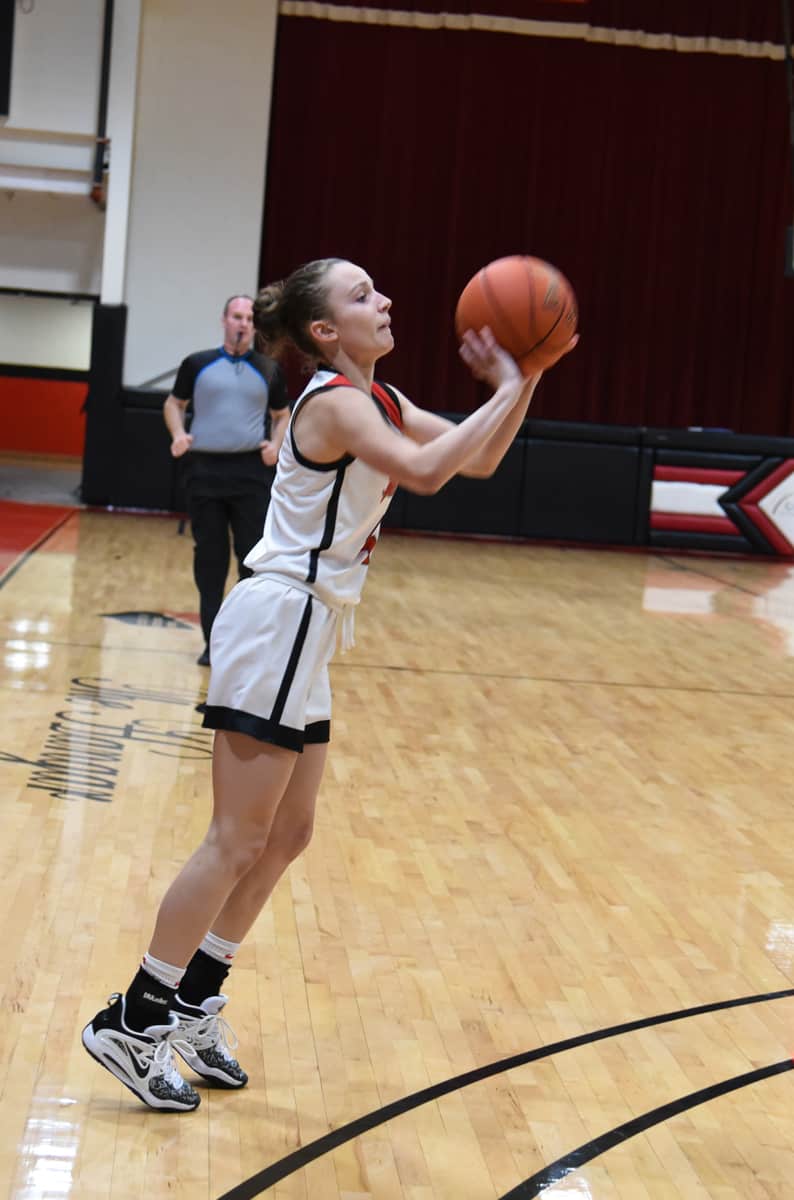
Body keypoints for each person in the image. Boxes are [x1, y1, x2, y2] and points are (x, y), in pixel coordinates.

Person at [82, 257, 577, 1111]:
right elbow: (426, 472)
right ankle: (133, 1017)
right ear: (322, 332)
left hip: (309, 630)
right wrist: (507, 379)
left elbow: (479, 458)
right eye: (360, 296)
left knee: (288, 835)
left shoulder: (377, 400)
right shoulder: (336, 404)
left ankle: (195, 1001)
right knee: (235, 839)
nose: (383, 301)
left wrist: (523, 378)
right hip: (278, 619)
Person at [163, 294, 291, 666]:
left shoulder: (268, 369)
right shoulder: (197, 364)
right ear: (224, 321)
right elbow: (174, 404)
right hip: (204, 473)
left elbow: (282, 415)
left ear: (255, 326)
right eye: (237, 316)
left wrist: (276, 444)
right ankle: (211, 642)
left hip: (250, 473)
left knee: (251, 562)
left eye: (249, 318)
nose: (243, 323)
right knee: (210, 560)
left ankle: (244, 641)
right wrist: (177, 435)